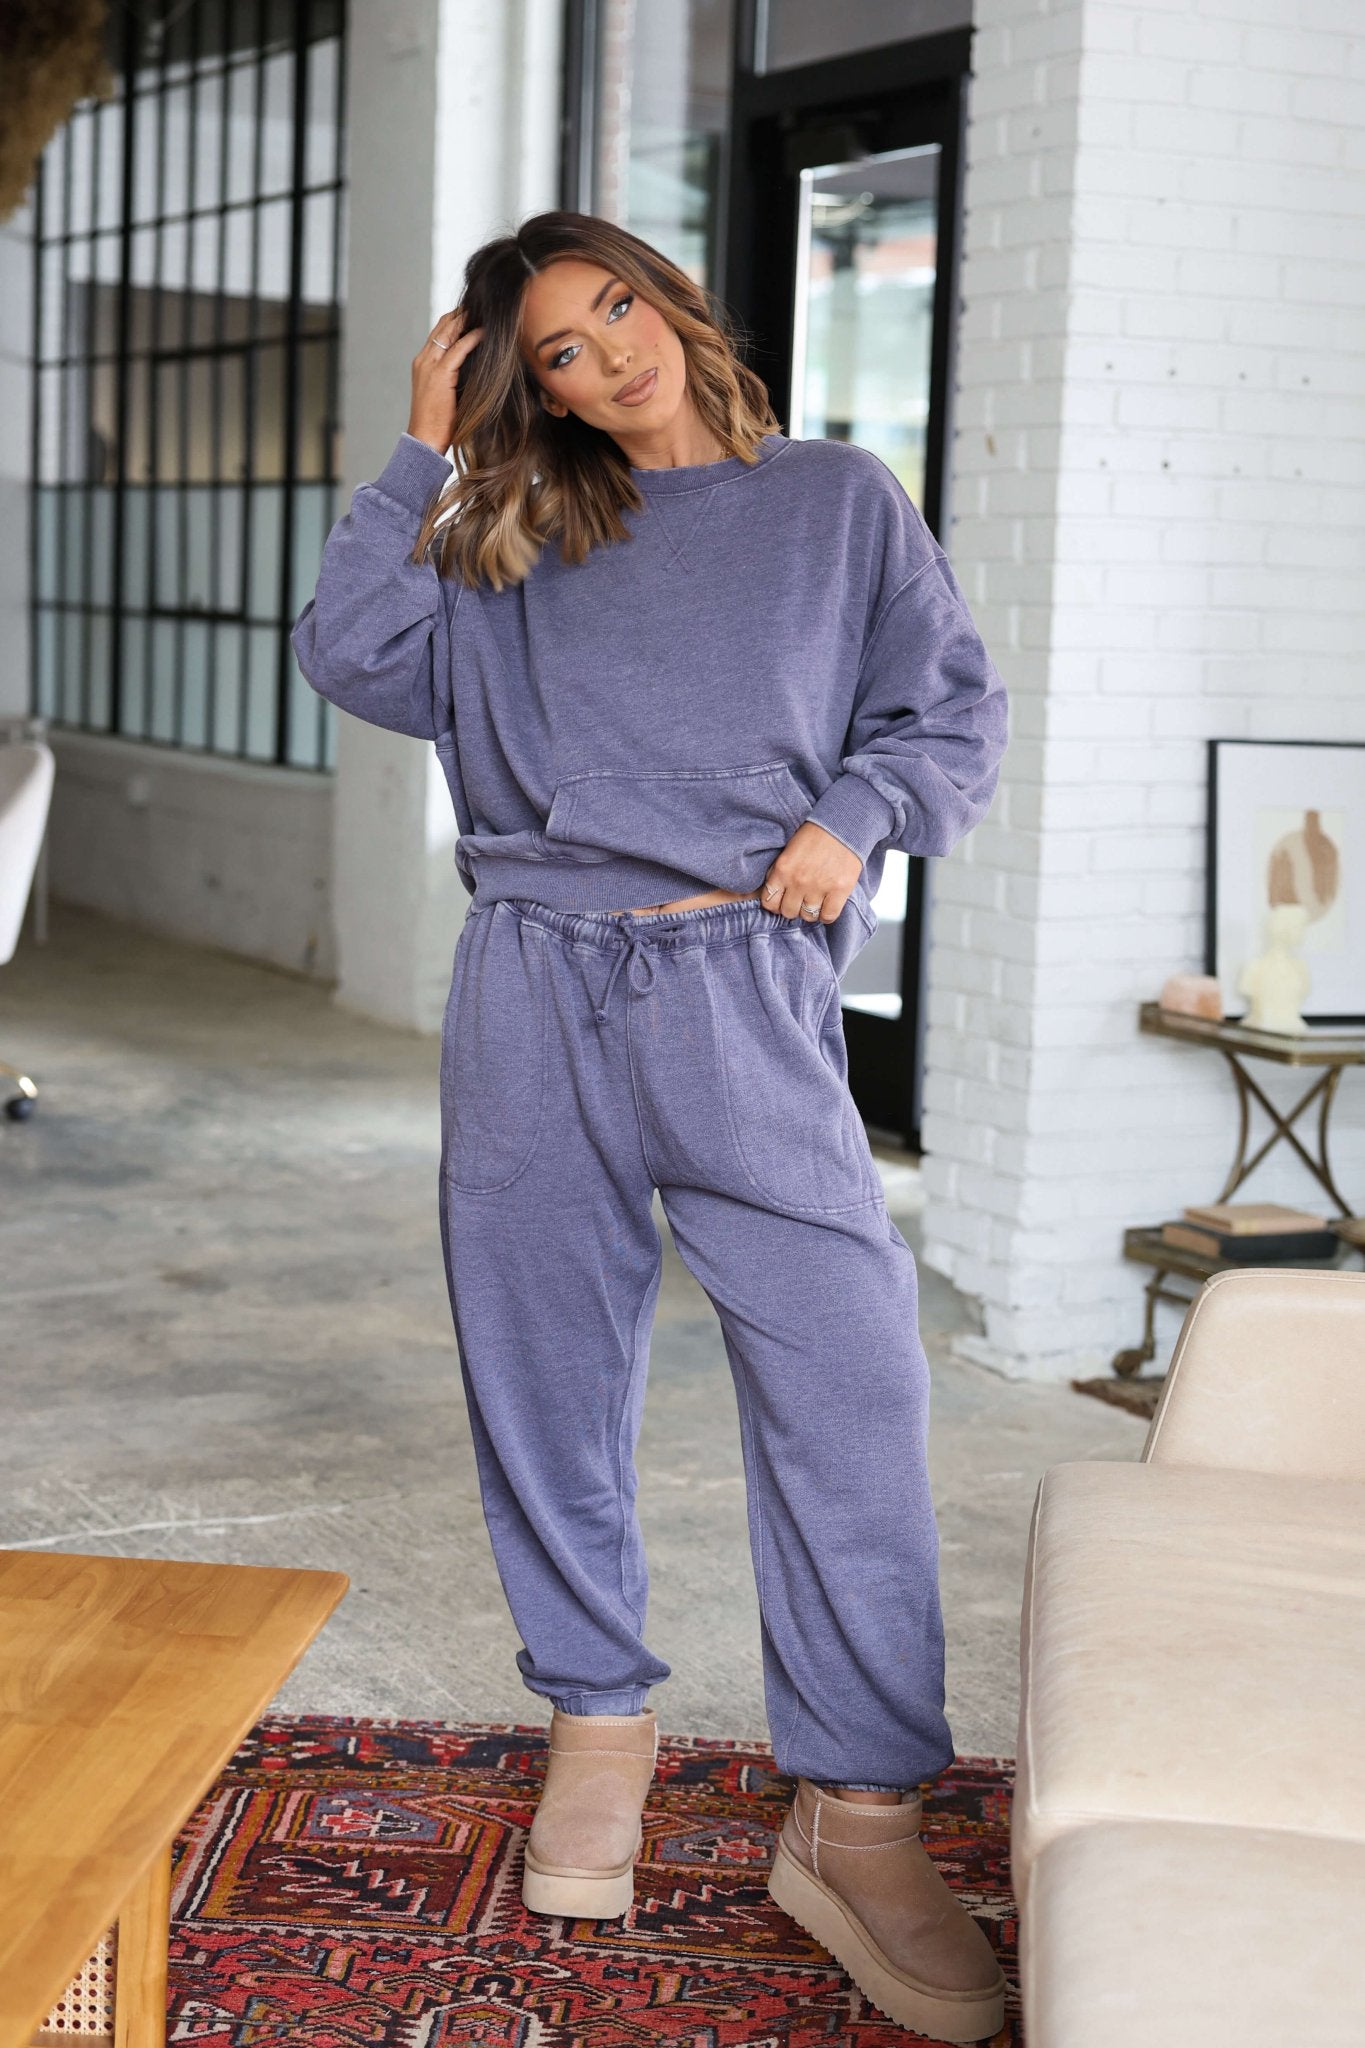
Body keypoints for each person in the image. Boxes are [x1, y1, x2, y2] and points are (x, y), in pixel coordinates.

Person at [292, 209, 1009, 2043]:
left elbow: (946, 714)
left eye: (615, 308)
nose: (603, 355)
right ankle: (595, 1724)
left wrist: (849, 816)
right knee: (543, 1367)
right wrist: (413, 449)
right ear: (516, 385)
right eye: (552, 348)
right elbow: (349, 653)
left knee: (851, 1376)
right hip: (532, 986)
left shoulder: (836, 502)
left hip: (740, 987)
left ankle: (854, 1815)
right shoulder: (508, 536)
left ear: (671, 306)